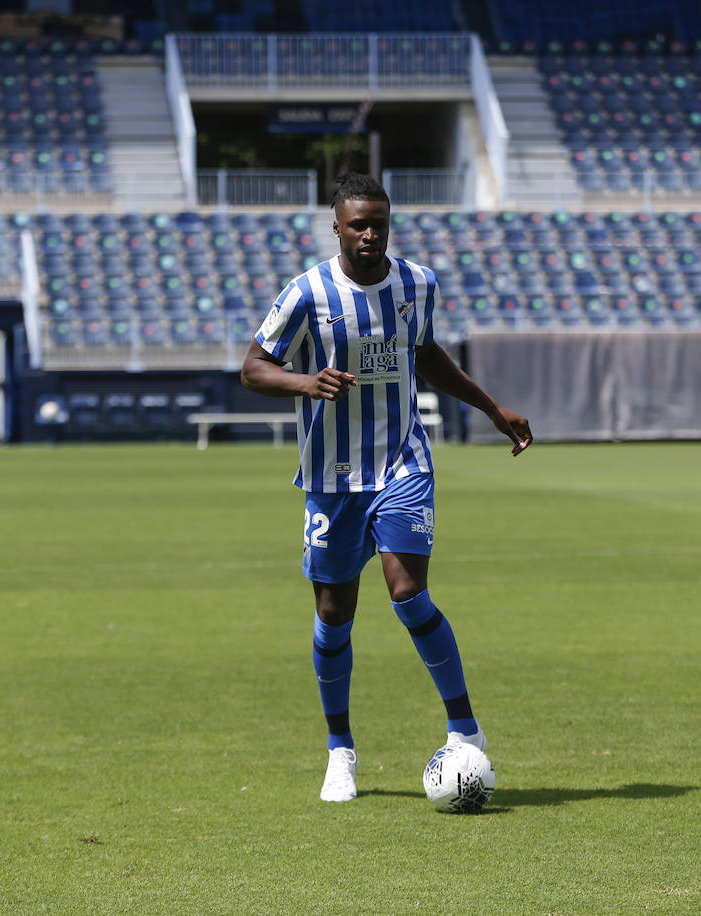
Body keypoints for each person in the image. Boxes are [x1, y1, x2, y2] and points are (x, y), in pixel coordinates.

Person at [240, 172, 532, 802]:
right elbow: (253, 368)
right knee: (333, 612)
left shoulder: (417, 283)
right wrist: (305, 382)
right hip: (332, 477)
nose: (370, 234)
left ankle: (465, 733)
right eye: (358, 224)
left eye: (380, 223)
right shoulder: (306, 293)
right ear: (337, 227)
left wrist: (490, 407)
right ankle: (340, 750)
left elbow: (425, 355)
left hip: (402, 465)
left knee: (407, 591)